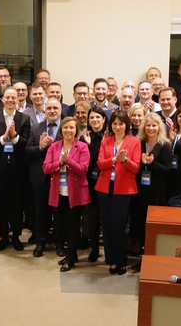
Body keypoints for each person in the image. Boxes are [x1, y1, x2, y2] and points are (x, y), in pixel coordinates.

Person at [0, 87, 32, 252]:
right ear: (2, 99)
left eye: (14, 97)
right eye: (8, 97)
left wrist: (15, 137)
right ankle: (4, 236)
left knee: (16, 205)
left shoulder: (24, 119)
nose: (11, 100)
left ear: (18, 99)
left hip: (18, 170)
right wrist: (4, 138)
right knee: (1, 204)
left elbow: (26, 143)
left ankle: (16, 237)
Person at [95, 111, 141, 275]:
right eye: (115, 124)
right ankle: (112, 260)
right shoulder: (106, 141)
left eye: (121, 124)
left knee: (118, 225)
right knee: (107, 225)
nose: (118, 127)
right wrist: (113, 160)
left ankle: (121, 261)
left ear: (126, 125)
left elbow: (136, 167)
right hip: (104, 187)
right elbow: (100, 163)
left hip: (123, 188)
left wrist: (125, 160)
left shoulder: (134, 142)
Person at [42, 116, 90, 272]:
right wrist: (60, 163)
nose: (68, 130)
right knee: (62, 225)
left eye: (71, 128)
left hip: (76, 193)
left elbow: (83, 170)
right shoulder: (54, 146)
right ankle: (71, 254)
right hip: (58, 192)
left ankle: (70, 257)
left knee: (74, 226)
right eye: (65, 127)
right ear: (61, 130)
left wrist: (68, 161)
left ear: (76, 130)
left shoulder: (82, 147)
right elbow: (46, 168)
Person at [130, 113, 171, 261]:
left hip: (156, 189)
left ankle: (149, 250)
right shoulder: (139, 143)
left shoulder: (164, 145)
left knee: (151, 218)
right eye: (148, 125)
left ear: (159, 127)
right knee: (138, 215)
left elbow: (167, 170)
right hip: (140, 187)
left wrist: (151, 163)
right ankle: (137, 241)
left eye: (154, 125)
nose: (151, 128)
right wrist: (142, 163)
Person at [27, 98, 63, 257]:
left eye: (55, 108)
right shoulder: (36, 128)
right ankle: (40, 243)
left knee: (60, 213)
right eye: (49, 108)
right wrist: (41, 147)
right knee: (41, 212)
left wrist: (54, 145)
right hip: (40, 177)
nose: (52, 111)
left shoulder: (67, 128)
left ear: (60, 110)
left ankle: (59, 243)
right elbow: (28, 150)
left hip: (61, 176)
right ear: (45, 111)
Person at [80, 105, 107, 262]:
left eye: (98, 117)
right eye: (92, 118)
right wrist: (88, 145)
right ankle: (94, 249)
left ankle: (109, 249)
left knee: (108, 217)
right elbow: (86, 162)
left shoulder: (110, 136)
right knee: (93, 217)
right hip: (91, 182)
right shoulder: (84, 137)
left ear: (104, 119)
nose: (95, 120)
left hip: (107, 182)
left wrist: (104, 143)